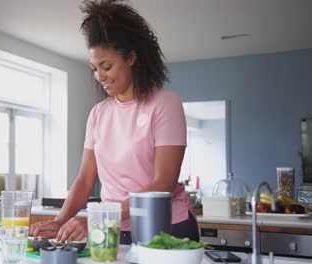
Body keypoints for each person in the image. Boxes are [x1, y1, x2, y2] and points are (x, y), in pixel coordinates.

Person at [30, 0, 199, 245]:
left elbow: (164, 183)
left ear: (131, 57)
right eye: (94, 69)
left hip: (166, 226)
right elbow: (85, 179)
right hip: (112, 230)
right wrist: (60, 220)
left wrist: (100, 218)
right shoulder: (99, 113)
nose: (100, 77)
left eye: (106, 66)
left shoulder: (165, 104)